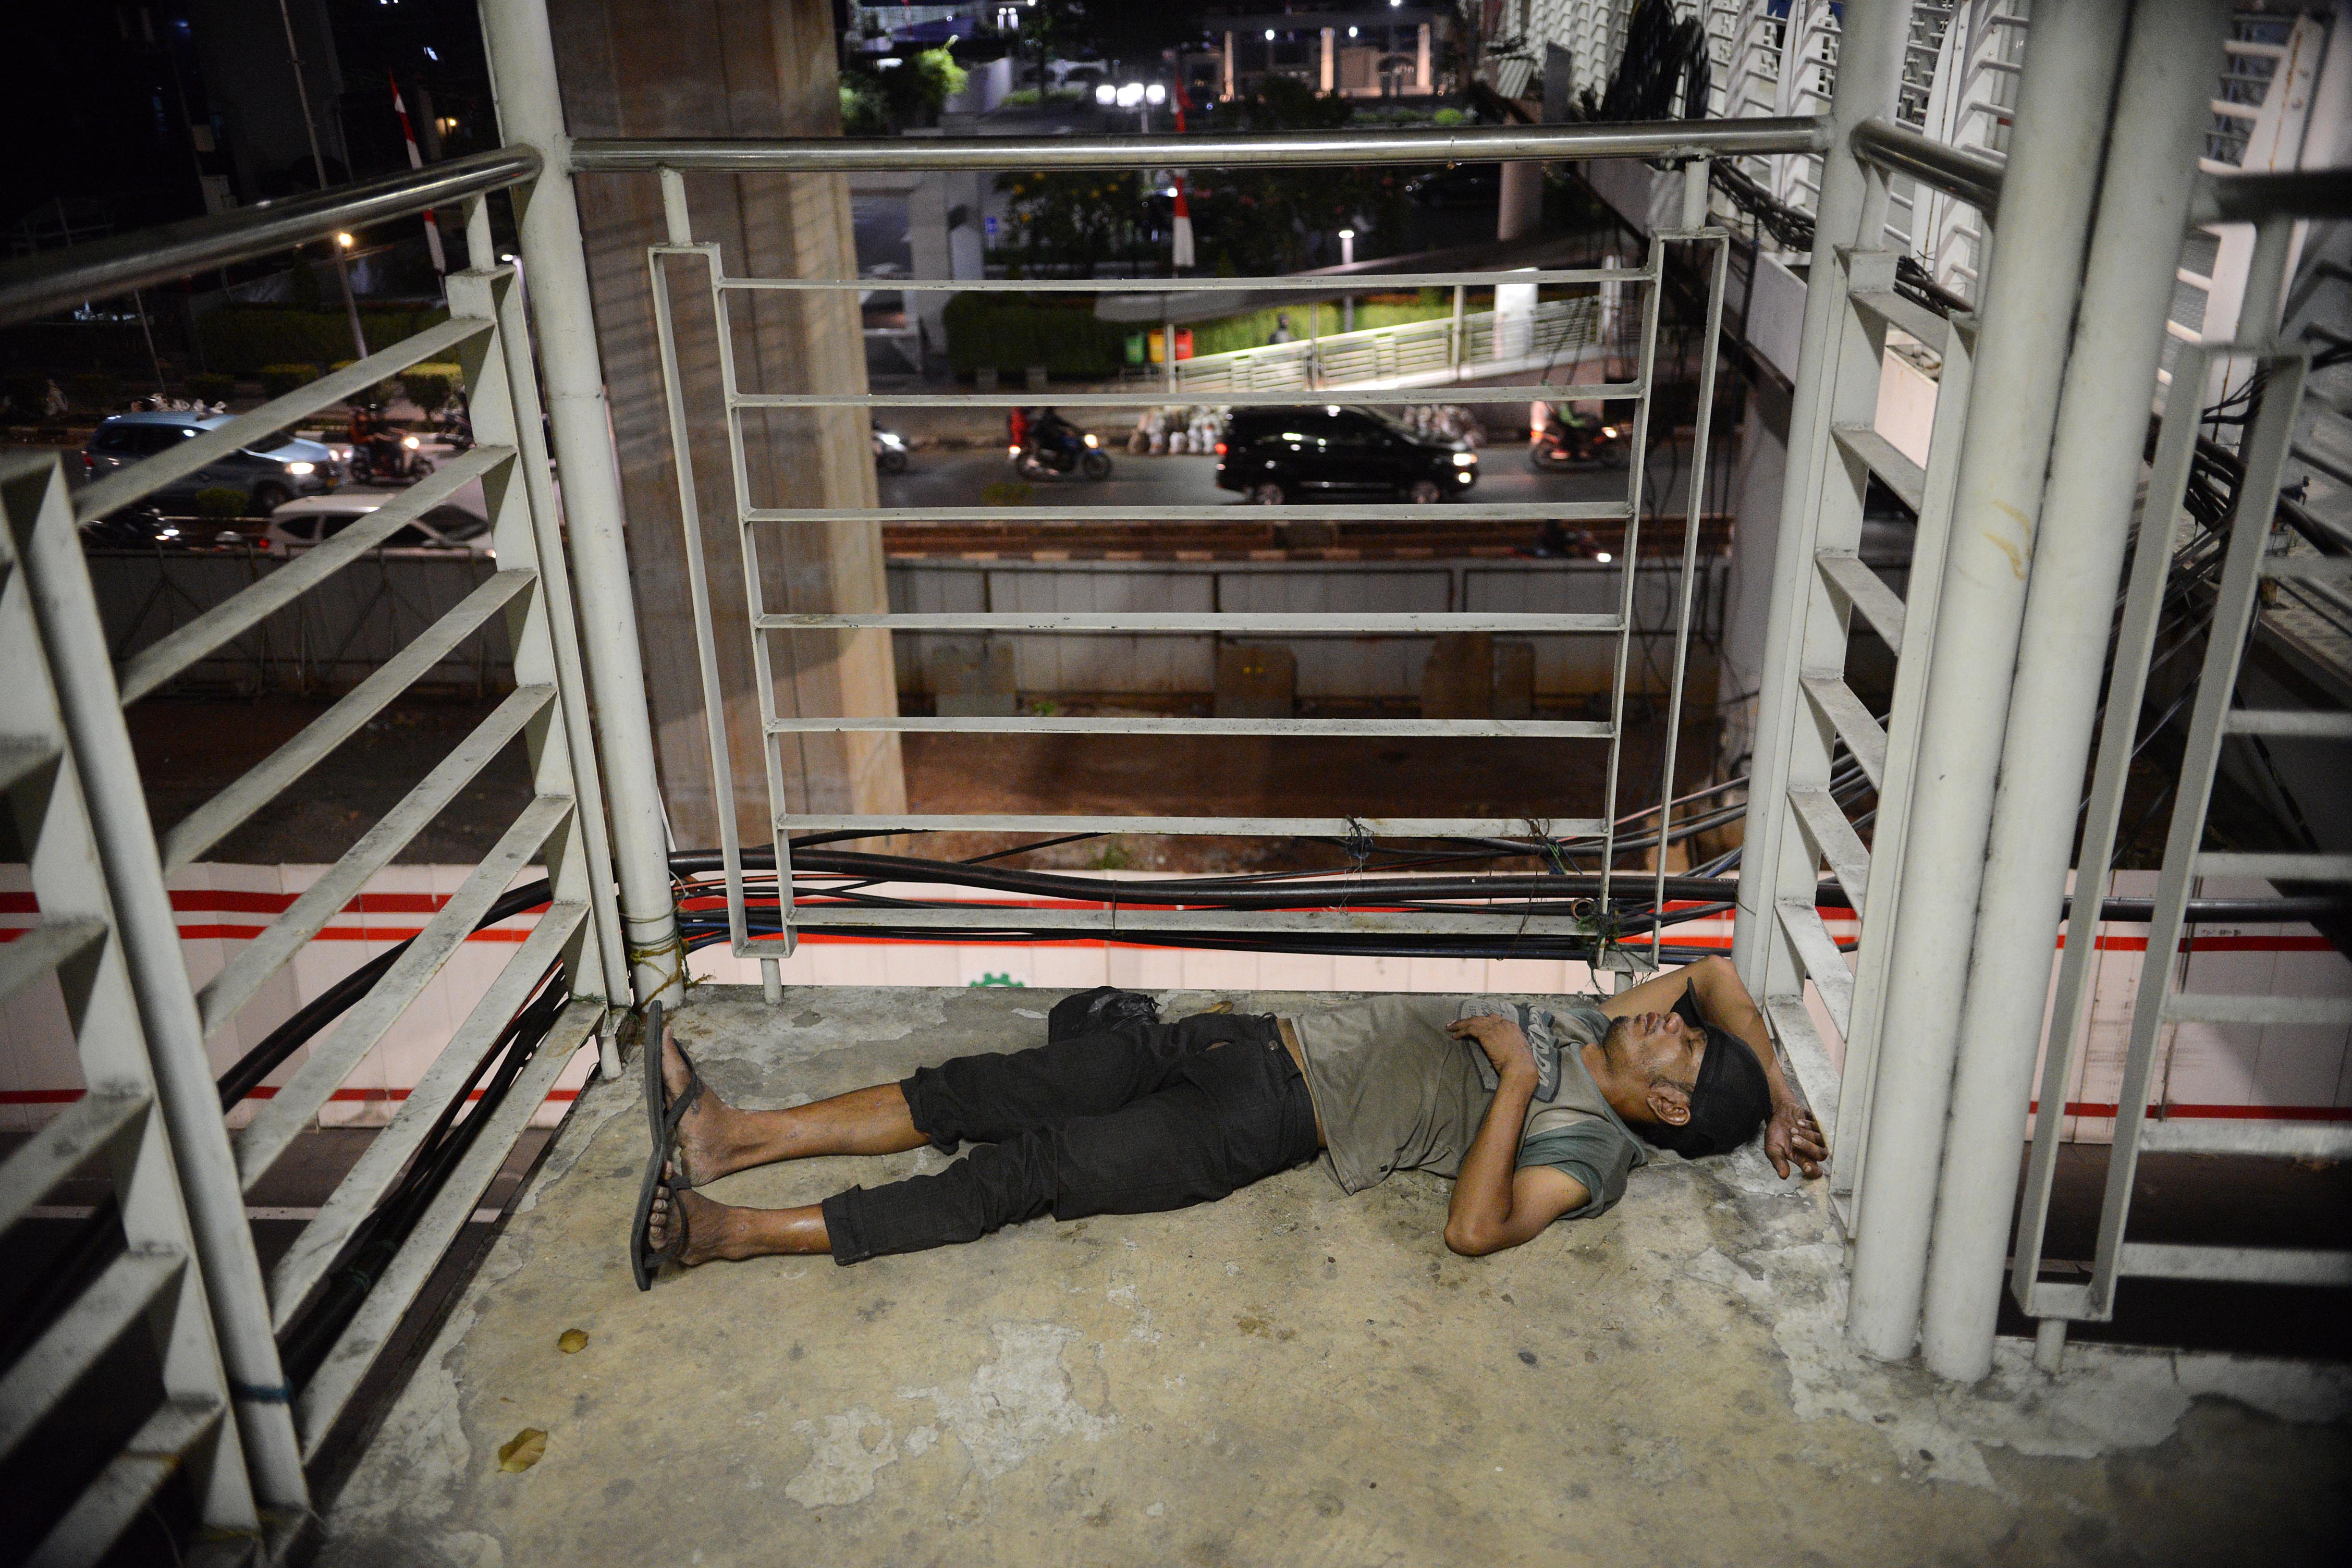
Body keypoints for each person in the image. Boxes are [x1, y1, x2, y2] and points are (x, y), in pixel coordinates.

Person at [640, 957, 1826, 1271]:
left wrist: (1514, 1080)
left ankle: (737, 1231)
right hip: (1243, 1038)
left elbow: (1476, 1232)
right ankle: (736, 1137)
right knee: (976, 1089)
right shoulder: (1604, 1028)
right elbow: (1721, 971)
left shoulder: (1594, 1140)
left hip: (1266, 1123)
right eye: (1671, 1018)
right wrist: (1776, 1095)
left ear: (1666, 1102)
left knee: (1026, 1169)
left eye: (1678, 1038)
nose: (1668, 1010)